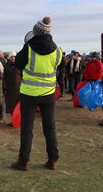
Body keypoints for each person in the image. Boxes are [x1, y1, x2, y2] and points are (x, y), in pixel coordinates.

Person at [11, 17, 62, 171]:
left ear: (35, 31)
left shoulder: (28, 48)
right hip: (48, 94)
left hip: (29, 94)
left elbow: (17, 63)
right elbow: (59, 66)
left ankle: (23, 161)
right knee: (50, 128)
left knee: (27, 129)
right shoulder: (58, 50)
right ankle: (52, 159)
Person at [3, 51, 21, 123]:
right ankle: (12, 121)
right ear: (9, 58)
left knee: (18, 106)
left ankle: (18, 120)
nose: (13, 58)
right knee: (11, 107)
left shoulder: (19, 65)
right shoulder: (6, 66)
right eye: (11, 57)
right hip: (10, 89)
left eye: (14, 57)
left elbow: (23, 76)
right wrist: (4, 88)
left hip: (18, 89)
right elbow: (4, 78)